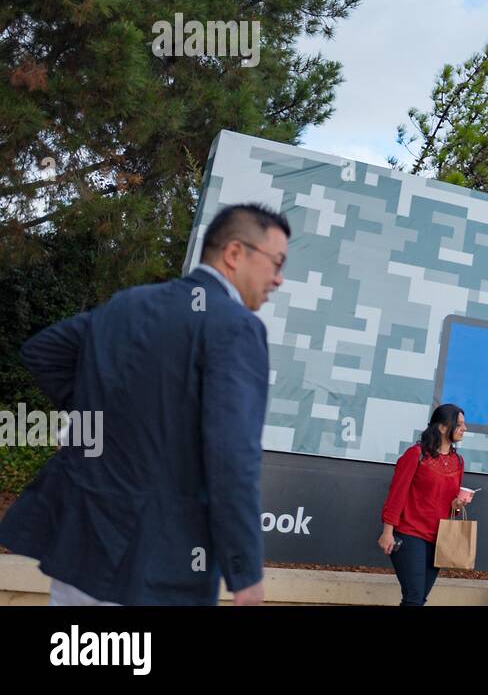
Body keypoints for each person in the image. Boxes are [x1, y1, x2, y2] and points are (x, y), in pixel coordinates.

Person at [0, 202, 289, 605]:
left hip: (79, 552)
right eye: (276, 262)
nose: (278, 279)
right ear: (235, 253)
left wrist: (99, 419)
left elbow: (44, 352)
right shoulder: (236, 327)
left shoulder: (127, 304)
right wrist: (245, 573)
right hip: (158, 571)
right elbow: (232, 459)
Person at [379, 403, 468, 606]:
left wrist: (458, 503)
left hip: (439, 539)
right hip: (410, 534)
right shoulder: (416, 454)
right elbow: (396, 494)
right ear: (443, 427)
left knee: (418, 598)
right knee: (414, 598)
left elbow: (450, 503)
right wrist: (387, 531)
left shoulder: (458, 461)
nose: (465, 429)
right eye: (459, 424)